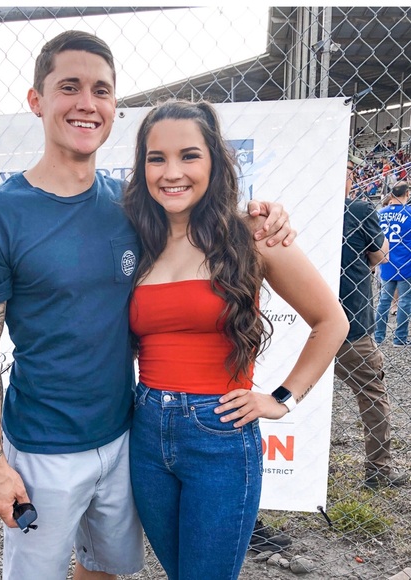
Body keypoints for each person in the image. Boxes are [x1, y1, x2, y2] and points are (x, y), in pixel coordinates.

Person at [0, 31, 295, 580]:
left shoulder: (133, 207)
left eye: (101, 90)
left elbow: (199, 218)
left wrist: (263, 214)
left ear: (115, 106)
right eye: (69, 87)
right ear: (37, 100)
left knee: (105, 569)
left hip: (127, 436)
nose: (87, 103)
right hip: (44, 446)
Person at [123, 99, 349, 580]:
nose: (171, 172)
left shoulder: (252, 234)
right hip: (145, 429)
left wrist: (282, 399)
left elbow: (331, 321)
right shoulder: (137, 238)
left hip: (219, 433)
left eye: (189, 155)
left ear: (215, 162)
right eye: (156, 158)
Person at [334, 154, 409, 489]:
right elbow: (380, 255)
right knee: (371, 393)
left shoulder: (296, 210)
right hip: (349, 321)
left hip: (303, 320)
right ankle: (378, 469)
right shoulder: (358, 209)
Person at [374, 181, 411, 347]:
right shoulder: (409, 213)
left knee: (383, 301)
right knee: (405, 301)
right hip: (406, 262)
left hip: (386, 261)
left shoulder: (380, 213)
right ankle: (399, 338)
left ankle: (378, 337)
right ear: (407, 194)